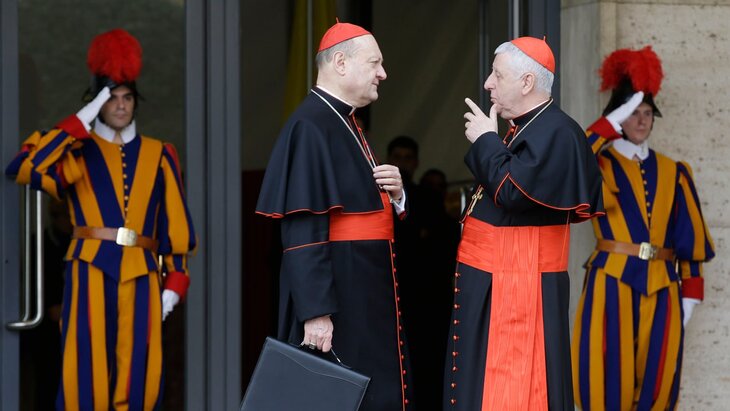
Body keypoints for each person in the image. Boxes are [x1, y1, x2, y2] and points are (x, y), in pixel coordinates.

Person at [5, 29, 196, 410]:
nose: (120, 106)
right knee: (84, 370)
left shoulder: (160, 154)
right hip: (89, 268)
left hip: (142, 271)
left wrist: (173, 288)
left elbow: (175, 225)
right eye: (111, 98)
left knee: (140, 373)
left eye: (127, 98)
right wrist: (83, 118)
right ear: (97, 103)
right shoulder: (76, 152)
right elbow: (25, 167)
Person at [255, 21, 411, 410]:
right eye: (375, 63)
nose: (383, 73)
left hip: (360, 287)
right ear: (341, 63)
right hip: (340, 296)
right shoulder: (311, 124)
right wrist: (316, 312)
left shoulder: (344, 120)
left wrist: (397, 196)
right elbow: (303, 230)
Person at [447, 37, 604, 410]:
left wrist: (485, 140)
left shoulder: (557, 132)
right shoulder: (525, 127)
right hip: (498, 278)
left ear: (527, 82)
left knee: (512, 388)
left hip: (517, 285)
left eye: (497, 75)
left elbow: (512, 192)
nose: (488, 83)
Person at [571, 46, 715, 411]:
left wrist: (691, 295)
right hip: (611, 279)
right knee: (604, 374)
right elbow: (573, 160)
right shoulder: (599, 163)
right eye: (633, 113)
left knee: (659, 379)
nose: (641, 121)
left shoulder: (674, 171)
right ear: (619, 116)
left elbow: (690, 239)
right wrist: (607, 125)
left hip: (664, 283)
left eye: (647, 113)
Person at [387, 138, 458, 408]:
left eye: (407, 158)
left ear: (416, 162)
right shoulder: (373, 195)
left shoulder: (428, 198)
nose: (402, 163)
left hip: (427, 299)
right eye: (397, 157)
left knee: (427, 363)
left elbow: (444, 242)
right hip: (390, 294)